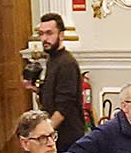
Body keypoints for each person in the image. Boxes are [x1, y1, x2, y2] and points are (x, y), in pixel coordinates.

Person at [27, 13, 88, 146]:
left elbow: (64, 105)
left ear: (61, 35)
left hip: (67, 135)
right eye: (41, 34)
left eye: (49, 33)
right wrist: (37, 89)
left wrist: (45, 134)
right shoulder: (52, 60)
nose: (44, 38)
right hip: (55, 135)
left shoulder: (66, 63)